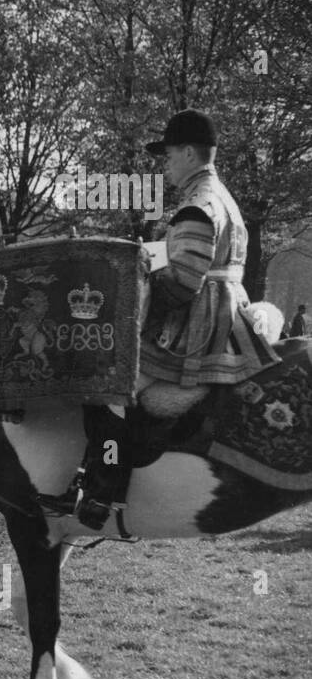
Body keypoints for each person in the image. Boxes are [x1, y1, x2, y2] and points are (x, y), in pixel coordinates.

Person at [42, 108, 280, 529]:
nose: (165, 166)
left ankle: (100, 493)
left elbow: (185, 280)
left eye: (169, 156)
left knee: (109, 388)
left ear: (189, 153)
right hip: (225, 310)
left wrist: (138, 293)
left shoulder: (198, 204)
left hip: (200, 323)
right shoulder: (220, 196)